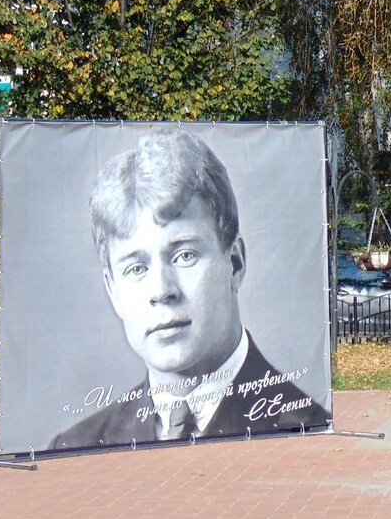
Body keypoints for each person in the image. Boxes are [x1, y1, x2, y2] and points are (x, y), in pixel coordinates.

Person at [50, 128, 329, 451]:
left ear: (234, 264)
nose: (161, 291)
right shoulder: (75, 445)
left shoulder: (304, 430)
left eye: (185, 255)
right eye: (136, 268)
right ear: (113, 290)